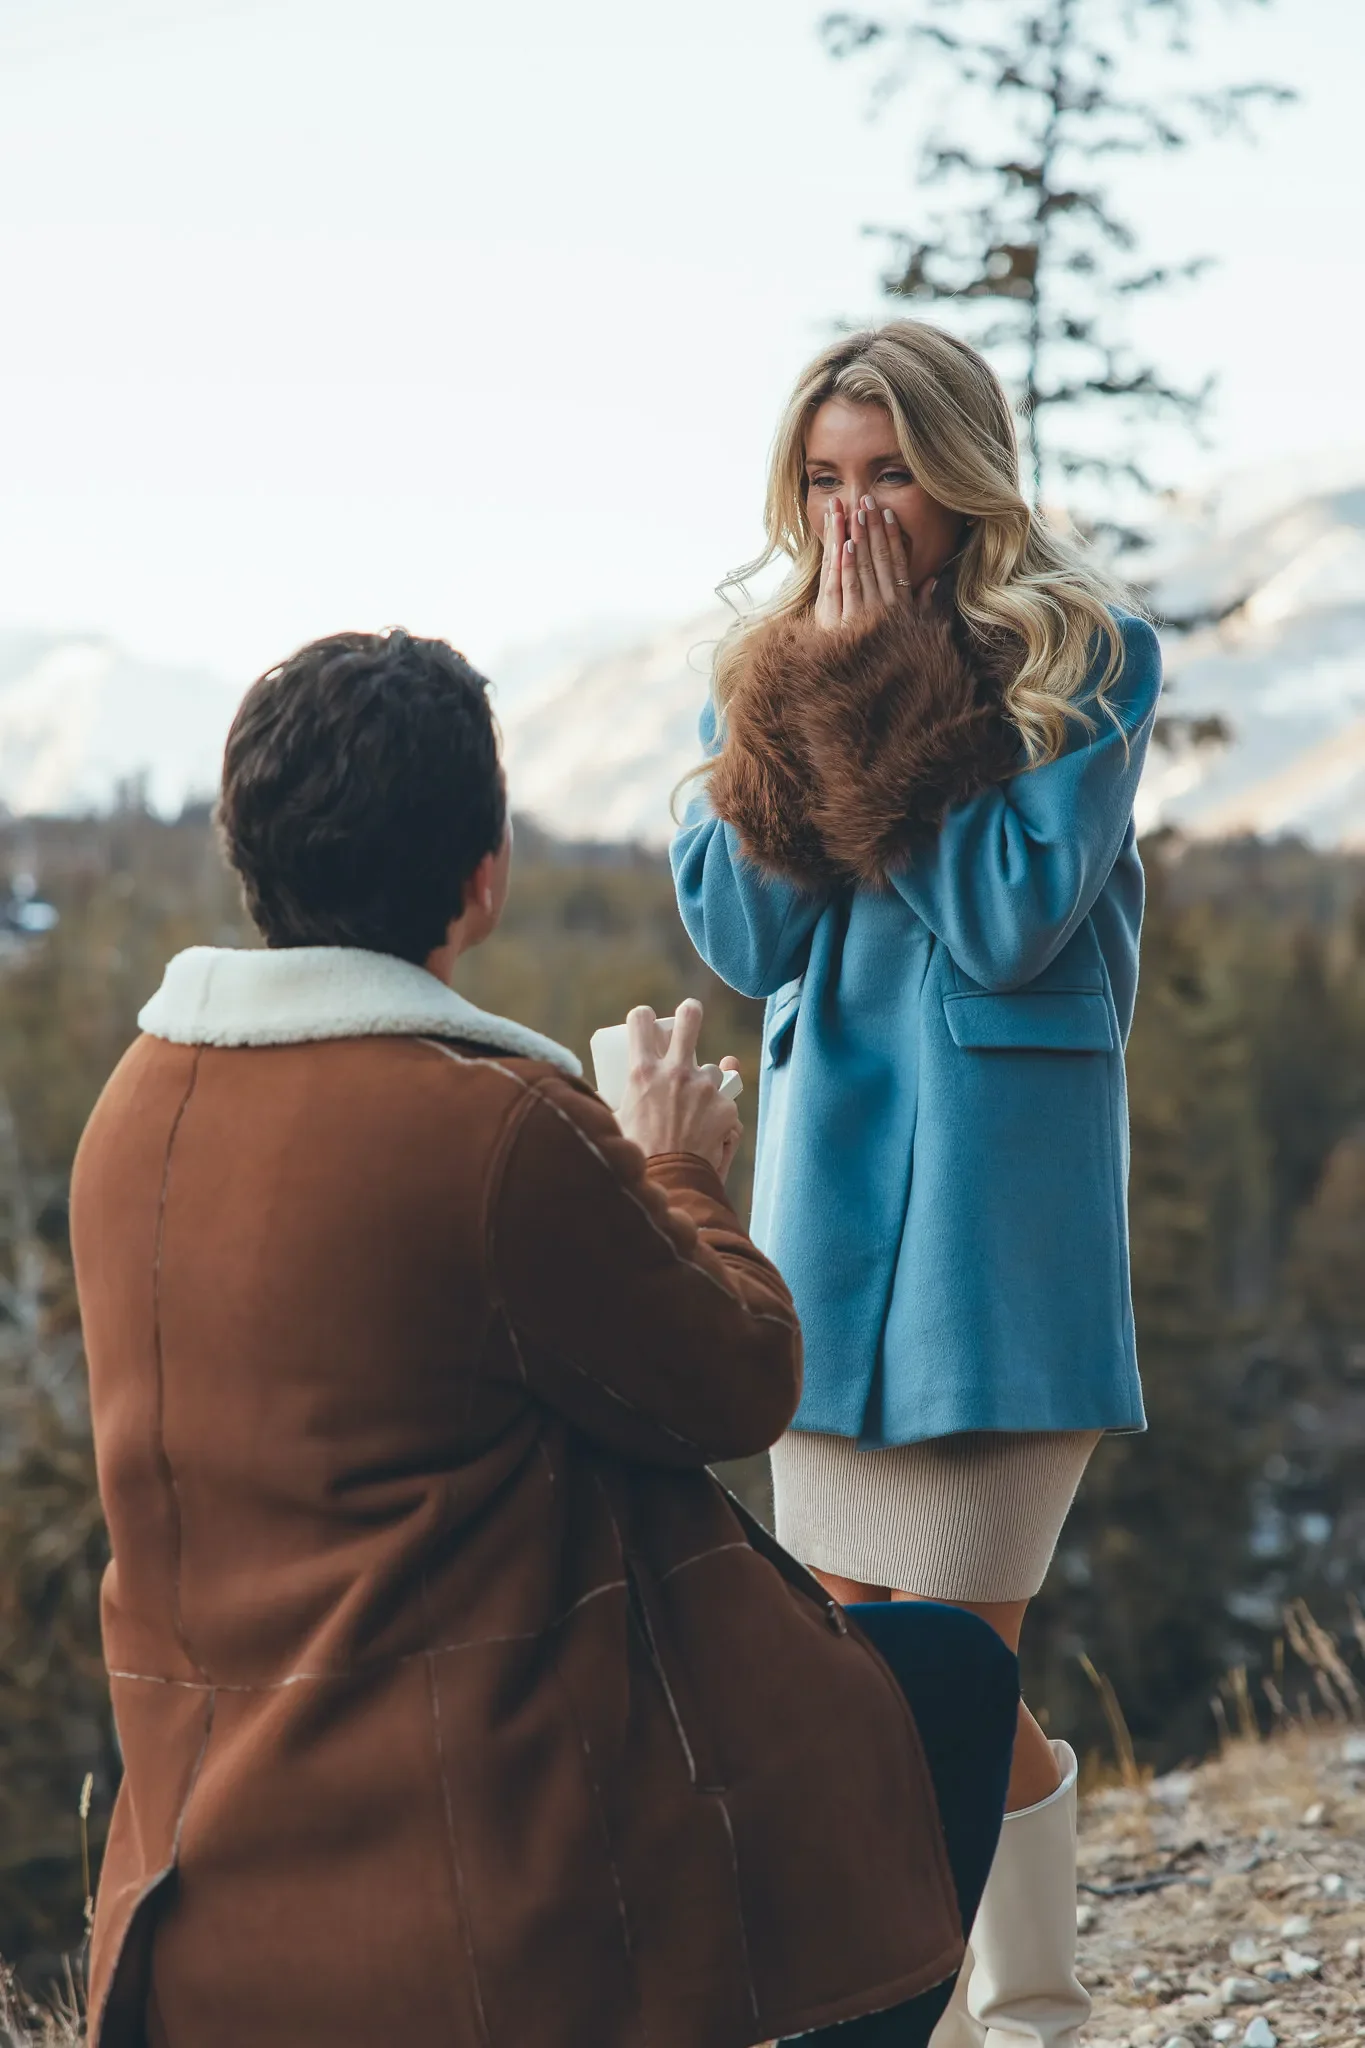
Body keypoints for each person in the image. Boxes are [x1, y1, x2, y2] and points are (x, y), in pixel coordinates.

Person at [70, 627, 1016, 2048]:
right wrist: (674, 1164)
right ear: (484, 873)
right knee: (944, 1684)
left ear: (246, 850)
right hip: (474, 1866)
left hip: (198, 1883)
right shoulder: (493, 1126)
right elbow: (739, 1381)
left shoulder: (132, 1114)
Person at [672, 319, 1164, 2048]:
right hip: (825, 1247)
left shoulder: (1085, 658)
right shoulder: (766, 668)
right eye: (825, 479)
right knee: (862, 1684)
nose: (855, 514)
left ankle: (1014, 2017)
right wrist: (817, 690)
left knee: (942, 1673)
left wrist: (889, 691)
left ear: (962, 481)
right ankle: (998, 2012)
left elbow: (1010, 918)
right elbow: (742, 934)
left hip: (997, 1249)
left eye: (889, 476)